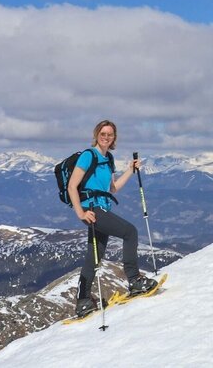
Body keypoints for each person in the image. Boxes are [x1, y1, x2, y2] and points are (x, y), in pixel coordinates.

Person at [68, 119, 157, 317]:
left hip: (102, 209)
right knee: (130, 232)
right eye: (103, 134)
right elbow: (72, 186)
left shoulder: (108, 159)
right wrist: (80, 213)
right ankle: (134, 280)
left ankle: (83, 301)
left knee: (95, 256)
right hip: (92, 209)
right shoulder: (87, 156)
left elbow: (113, 188)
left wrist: (130, 170)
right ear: (96, 135)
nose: (106, 137)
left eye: (110, 134)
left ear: (114, 137)